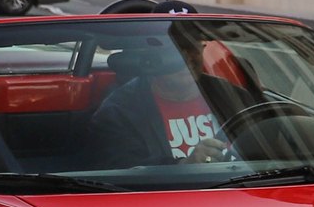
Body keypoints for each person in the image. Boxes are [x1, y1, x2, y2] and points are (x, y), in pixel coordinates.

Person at [87, 41, 240, 168]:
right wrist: (184, 166)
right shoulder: (118, 112)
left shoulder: (231, 94)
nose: (188, 60)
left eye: (194, 50)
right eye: (175, 53)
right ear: (150, 60)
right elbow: (126, 172)